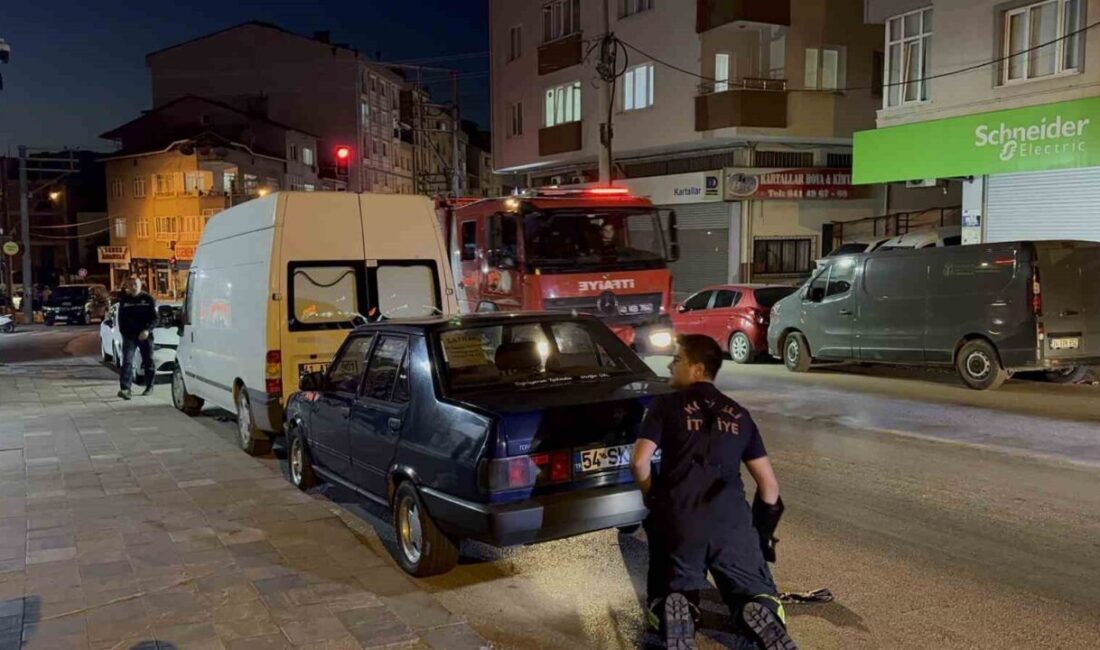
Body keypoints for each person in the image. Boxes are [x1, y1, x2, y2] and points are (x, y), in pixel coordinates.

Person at [631, 334, 794, 650]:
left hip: (680, 517)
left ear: (696, 368)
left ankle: (676, 611)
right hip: (731, 519)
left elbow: (639, 463)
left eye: (677, 359)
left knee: (669, 587)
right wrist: (759, 536)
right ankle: (758, 611)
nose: (670, 365)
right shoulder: (739, 414)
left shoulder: (664, 405)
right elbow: (769, 487)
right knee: (755, 590)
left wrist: (653, 497)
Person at [115, 276, 158, 400]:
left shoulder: (148, 299)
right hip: (129, 336)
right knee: (127, 361)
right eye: (130, 284)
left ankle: (149, 386)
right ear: (127, 286)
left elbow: (155, 318)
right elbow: (121, 320)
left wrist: (147, 330)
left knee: (148, 360)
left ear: (140, 285)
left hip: (145, 335)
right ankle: (125, 389)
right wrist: (124, 334)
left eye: (135, 284)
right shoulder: (124, 300)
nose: (133, 286)